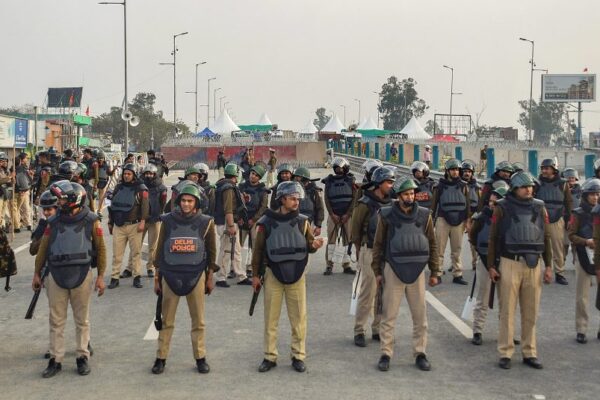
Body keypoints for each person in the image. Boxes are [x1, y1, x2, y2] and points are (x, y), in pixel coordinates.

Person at [33, 180, 106, 378]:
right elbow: (43, 249)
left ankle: (82, 356)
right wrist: (37, 273)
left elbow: (100, 249)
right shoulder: (53, 222)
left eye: (63, 199)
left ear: (74, 200)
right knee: (56, 320)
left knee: (82, 320)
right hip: (56, 275)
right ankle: (55, 359)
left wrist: (100, 276)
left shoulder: (91, 220)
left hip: (82, 274)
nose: (60, 202)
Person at [251, 181, 324, 373]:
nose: (296, 202)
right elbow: (258, 251)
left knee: (299, 318)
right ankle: (269, 356)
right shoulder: (265, 222)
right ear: (282, 199)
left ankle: (298, 355)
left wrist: (314, 245)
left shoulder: (302, 221)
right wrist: (256, 275)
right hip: (272, 273)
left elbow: (308, 245)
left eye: (298, 199)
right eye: (292, 198)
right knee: (271, 319)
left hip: (297, 274)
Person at [372, 177, 440, 372]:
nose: (410, 196)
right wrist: (377, 271)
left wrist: (435, 271)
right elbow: (378, 245)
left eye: (412, 193)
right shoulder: (386, 215)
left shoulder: (425, 215)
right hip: (392, 269)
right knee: (388, 315)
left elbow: (432, 244)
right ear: (399, 196)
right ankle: (385, 353)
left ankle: (420, 352)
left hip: (417, 270)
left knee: (420, 316)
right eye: (406, 194)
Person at [487, 171, 553, 370]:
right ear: (515, 189)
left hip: (533, 264)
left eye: (531, 187)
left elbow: (546, 237)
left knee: (531, 310)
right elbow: (493, 238)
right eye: (524, 187)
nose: (529, 190)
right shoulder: (502, 208)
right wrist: (492, 265)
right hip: (509, 262)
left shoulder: (540, 207)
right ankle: (505, 352)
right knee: (507, 310)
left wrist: (549, 265)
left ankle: (529, 352)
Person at [151, 184, 217, 374]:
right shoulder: (167, 221)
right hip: (170, 274)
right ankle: (160, 358)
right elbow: (159, 251)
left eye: (190, 201)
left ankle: (200, 358)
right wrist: (157, 278)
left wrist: (210, 277)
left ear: (196, 202)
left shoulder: (206, 222)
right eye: (183, 200)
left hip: (196, 275)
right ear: (178, 201)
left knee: (198, 321)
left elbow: (212, 253)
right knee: (166, 321)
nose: (186, 204)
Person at [351, 166, 395, 347]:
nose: (391, 186)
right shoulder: (365, 203)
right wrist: (358, 249)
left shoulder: (392, 202)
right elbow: (355, 229)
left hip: (387, 252)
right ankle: (359, 330)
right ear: (379, 183)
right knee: (368, 293)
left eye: (392, 182)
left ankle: (377, 328)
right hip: (368, 250)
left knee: (383, 294)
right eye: (388, 182)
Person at [468, 184, 508, 345]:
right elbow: (473, 236)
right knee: (482, 297)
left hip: (505, 261)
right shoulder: (482, 217)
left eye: (495, 201)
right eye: (491, 201)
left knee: (505, 299)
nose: (492, 204)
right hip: (484, 260)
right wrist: (481, 252)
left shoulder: (509, 218)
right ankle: (477, 330)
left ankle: (506, 331)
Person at [107, 163, 149, 289]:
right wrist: (110, 222)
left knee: (136, 253)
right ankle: (115, 277)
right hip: (119, 226)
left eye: (129, 174)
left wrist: (143, 221)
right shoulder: (118, 187)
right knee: (117, 253)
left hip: (134, 225)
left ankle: (136, 277)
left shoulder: (141, 189)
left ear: (134, 175)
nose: (126, 176)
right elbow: (113, 205)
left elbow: (145, 207)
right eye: (125, 173)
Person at [122, 164, 167, 278]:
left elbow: (163, 204)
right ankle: (129, 268)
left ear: (155, 174)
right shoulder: (139, 186)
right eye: (146, 173)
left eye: (151, 173)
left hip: (155, 219)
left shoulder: (161, 187)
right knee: (135, 245)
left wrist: (158, 215)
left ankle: (150, 267)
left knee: (153, 246)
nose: (148, 175)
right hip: (140, 219)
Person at [570, 178, 600, 344]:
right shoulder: (578, 213)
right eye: (593, 194)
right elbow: (571, 235)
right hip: (583, 255)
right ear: (586, 195)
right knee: (582, 296)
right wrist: (586, 242)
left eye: (598, 194)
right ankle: (581, 329)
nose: (595, 197)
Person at [431, 158, 470, 285]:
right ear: (447, 171)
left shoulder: (464, 186)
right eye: (452, 170)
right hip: (443, 219)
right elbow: (434, 204)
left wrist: (467, 220)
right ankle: (437, 273)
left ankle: (457, 274)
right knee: (439, 249)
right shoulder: (439, 186)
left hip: (459, 220)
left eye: (457, 170)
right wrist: (431, 220)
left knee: (456, 250)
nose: (455, 172)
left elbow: (467, 205)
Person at [534, 159, 573, 285]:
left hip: (558, 217)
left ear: (553, 169)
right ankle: (539, 271)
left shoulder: (563, 184)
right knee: (539, 246)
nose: (544, 170)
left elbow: (568, 202)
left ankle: (560, 273)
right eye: (543, 168)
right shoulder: (536, 183)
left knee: (558, 247)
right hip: (540, 218)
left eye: (547, 168)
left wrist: (569, 219)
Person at [214, 163, 251, 287]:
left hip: (231, 221)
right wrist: (230, 225)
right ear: (236, 174)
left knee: (236, 250)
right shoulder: (228, 188)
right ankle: (220, 277)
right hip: (228, 223)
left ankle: (240, 275)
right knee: (226, 250)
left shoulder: (225, 186)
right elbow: (228, 208)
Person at [322, 157, 357, 275]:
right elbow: (326, 199)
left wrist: (348, 214)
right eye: (336, 168)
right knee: (331, 241)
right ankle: (329, 265)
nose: (338, 170)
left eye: (341, 168)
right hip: (334, 216)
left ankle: (346, 265)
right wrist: (332, 214)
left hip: (347, 215)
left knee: (347, 240)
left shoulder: (350, 180)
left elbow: (354, 199)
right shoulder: (329, 181)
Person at [238, 165, 269, 277]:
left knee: (255, 246)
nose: (253, 176)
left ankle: (251, 268)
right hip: (242, 219)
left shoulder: (263, 190)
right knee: (238, 245)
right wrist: (239, 218)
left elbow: (263, 207)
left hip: (255, 220)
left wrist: (254, 219)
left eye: (256, 175)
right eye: (252, 173)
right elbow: (237, 203)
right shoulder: (241, 187)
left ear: (259, 177)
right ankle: (235, 268)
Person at [462, 160, 481, 271]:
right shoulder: (458, 185)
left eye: (469, 171)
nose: (466, 173)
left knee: (473, 241)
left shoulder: (477, 187)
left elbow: (479, 202)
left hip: (472, 216)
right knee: (457, 244)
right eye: (464, 171)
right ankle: (455, 265)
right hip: (459, 216)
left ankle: (475, 263)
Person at [293, 167, 324, 236]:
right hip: (295, 223)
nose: (296, 179)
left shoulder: (315, 191)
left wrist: (318, 226)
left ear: (304, 177)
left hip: (310, 222)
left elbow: (320, 208)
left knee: (309, 244)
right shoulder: (293, 189)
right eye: (295, 177)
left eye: (298, 177)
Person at [563, 168, 581, 261]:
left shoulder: (580, 191)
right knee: (564, 243)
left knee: (575, 243)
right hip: (565, 220)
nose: (571, 180)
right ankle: (561, 263)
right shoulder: (561, 191)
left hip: (576, 220)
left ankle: (576, 261)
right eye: (569, 178)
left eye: (573, 178)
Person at [13, 153, 34, 233]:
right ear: (21, 160)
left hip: (17, 191)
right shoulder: (24, 169)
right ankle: (27, 223)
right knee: (25, 207)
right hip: (24, 190)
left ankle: (17, 225)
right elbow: (29, 180)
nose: (27, 160)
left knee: (17, 209)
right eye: (26, 158)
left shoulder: (13, 169)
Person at [0, 152, 14, 232]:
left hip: (5, 194)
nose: (4, 162)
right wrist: (9, 177)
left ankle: (3, 227)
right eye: (2, 161)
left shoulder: (5, 171)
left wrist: (12, 180)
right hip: (0, 194)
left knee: (3, 213)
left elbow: (9, 183)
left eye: (5, 161)